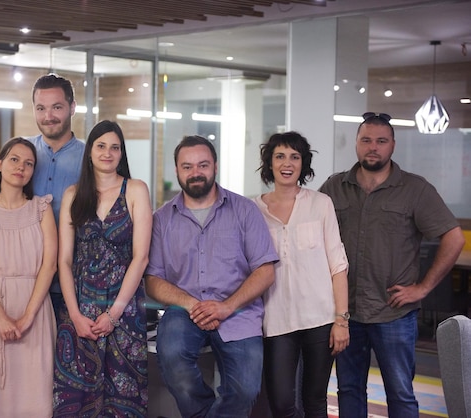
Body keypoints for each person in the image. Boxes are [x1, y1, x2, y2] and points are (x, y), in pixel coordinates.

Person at [319, 112, 465, 418]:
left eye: (381, 141)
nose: (373, 147)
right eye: (366, 140)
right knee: (348, 390)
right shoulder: (334, 187)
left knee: (400, 393)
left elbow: (453, 238)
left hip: (393, 314)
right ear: (357, 144)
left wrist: (422, 288)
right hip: (347, 314)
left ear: (393, 146)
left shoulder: (415, 189)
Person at [145, 135, 278, 418]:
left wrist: (227, 306)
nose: (195, 173)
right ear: (177, 171)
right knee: (171, 357)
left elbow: (265, 270)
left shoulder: (244, 210)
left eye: (202, 165)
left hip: (238, 309)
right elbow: (153, 279)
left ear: (215, 166)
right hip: (185, 310)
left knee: (245, 390)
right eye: (187, 166)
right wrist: (192, 304)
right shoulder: (162, 219)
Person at [53, 120, 152, 416]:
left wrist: (113, 314)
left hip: (124, 309)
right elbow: (64, 261)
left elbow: (141, 258)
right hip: (79, 308)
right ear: (90, 152)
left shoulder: (135, 190)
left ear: (121, 153)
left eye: (115, 147)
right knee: (75, 400)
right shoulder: (73, 194)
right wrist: (74, 315)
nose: (107, 153)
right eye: (100, 146)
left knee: (122, 399)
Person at [253, 131, 349, 417]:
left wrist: (341, 320)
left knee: (315, 401)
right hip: (275, 320)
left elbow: (338, 265)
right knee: (281, 402)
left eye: (294, 157)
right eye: (279, 156)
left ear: (303, 164)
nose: (287, 163)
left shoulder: (321, 204)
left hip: (320, 318)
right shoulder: (252, 209)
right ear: (269, 163)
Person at [0, 137, 58, 417]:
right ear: (0, 164)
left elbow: (49, 265)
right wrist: (2, 318)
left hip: (35, 310)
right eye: (15, 160)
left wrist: (27, 317)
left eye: (29, 163)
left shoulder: (42, 209)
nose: (21, 167)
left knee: (35, 398)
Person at [0, 73, 84, 318]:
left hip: (70, 285)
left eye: (57, 107)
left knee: (56, 356)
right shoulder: (19, 153)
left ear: (72, 107)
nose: (48, 116)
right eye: (41, 108)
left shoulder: (92, 158)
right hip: (17, 282)